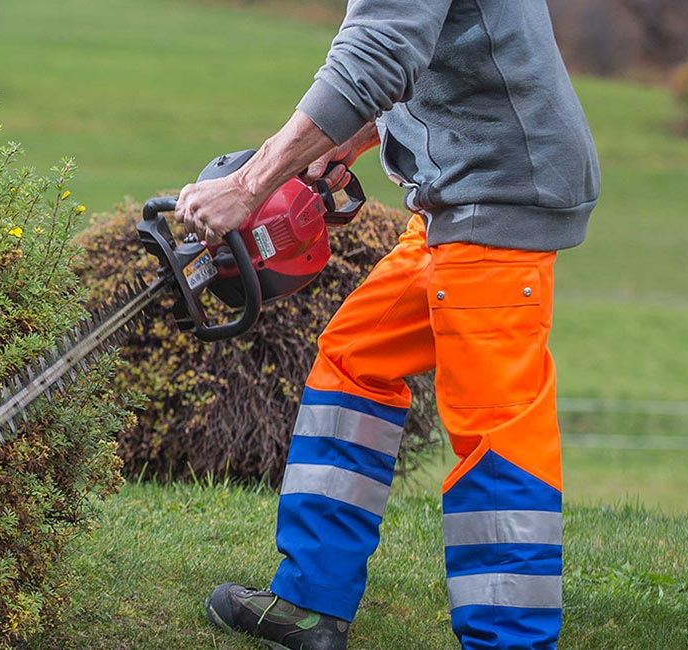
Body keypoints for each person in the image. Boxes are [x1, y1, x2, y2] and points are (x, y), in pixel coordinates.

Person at [174, 1, 599, 648]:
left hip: (498, 207)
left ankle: (511, 640)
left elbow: (376, 54)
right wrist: (363, 131)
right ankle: (311, 602)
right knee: (354, 361)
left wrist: (250, 184)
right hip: (453, 203)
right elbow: (443, 43)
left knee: (496, 435)